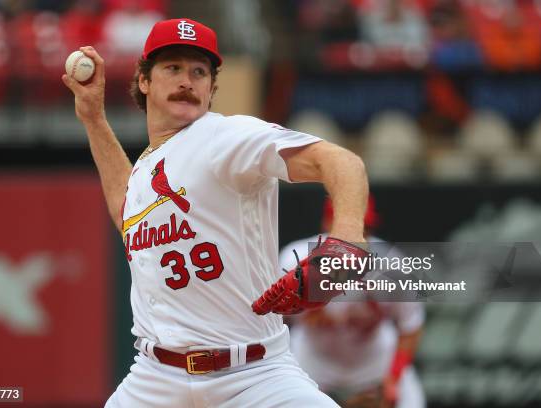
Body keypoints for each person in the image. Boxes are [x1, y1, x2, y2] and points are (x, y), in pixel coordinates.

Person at [62, 18, 369, 407]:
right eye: (172, 68)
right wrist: (93, 118)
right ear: (144, 81)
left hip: (254, 377)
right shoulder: (148, 167)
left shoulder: (225, 137)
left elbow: (341, 163)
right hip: (154, 378)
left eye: (199, 71)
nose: (187, 81)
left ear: (212, 88)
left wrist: (345, 241)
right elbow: (128, 214)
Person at [280, 197, 425, 408]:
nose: (359, 236)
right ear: (328, 224)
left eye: (365, 228)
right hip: (312, 360)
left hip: (375, 361)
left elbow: (411, 325)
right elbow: (271, 323)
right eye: (351, 227)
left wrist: (393, 378)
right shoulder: (295, 259)